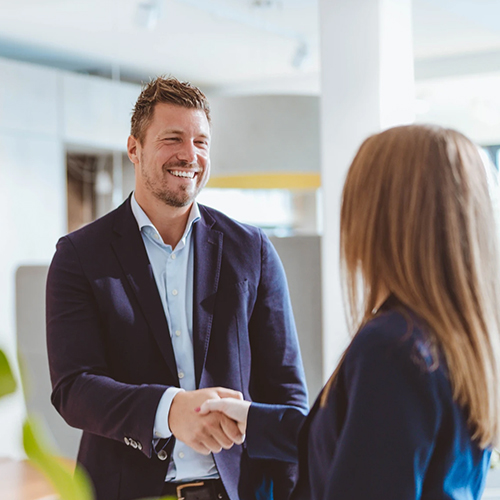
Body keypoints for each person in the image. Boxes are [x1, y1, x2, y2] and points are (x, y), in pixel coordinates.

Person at [201, 124, 500, 499]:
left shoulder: (392, 346)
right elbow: (364, 447)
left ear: (385, 218)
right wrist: (250, 418)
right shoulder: (457, 338)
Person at [46, 76, 308, 500]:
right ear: (135, 148)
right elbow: (74, 388)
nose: (190, 155)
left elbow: (287, 394)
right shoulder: (79, 255)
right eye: (173, 138)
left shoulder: (251, 250)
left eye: (201, 142)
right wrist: (168, 410)